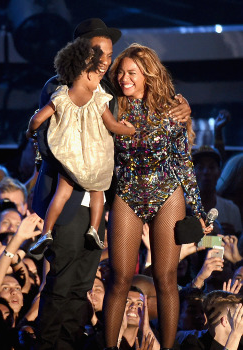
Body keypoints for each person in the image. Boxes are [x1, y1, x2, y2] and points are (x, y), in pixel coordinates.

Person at [32, 18, 192, 350]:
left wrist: (182, 108)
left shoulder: (110, 93)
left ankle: (72, 341)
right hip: (78, 197)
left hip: (116, 197)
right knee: (67, 278)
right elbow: (53, 140)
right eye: (101, 54)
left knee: (86, 281)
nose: (109, 63)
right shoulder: (62, 87)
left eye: (110, 54)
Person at [102, 43, 212, 350]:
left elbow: (184, 162)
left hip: (167, 194)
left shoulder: (172, 109)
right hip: (127, 193)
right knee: (120, 277)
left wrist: (198, 207)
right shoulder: (110, 106)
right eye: (120, 72)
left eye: (132, 73)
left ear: (148, 75)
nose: (124, 78)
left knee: (166, 279)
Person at [27, 37, 135, 254]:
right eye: (97, 74)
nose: (100, 79)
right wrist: (130, 129)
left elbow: (38, 119)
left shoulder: (60, 97)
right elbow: (113, 125)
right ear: (87, 73)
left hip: (70, 159)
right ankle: (95, 229)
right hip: (95, 159)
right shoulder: (98, 99)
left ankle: (46, 231)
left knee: (61, 193)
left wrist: (30, 130)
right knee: (98, 193)